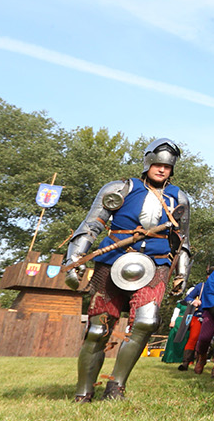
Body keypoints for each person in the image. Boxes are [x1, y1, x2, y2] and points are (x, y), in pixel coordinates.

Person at [66, 138, 191, 402]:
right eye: (157, 164)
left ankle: (115, 387)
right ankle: (84, 390)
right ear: (148, 163)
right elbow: (91, 225)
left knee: (146, 322)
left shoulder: (178, 198)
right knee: (98, 329)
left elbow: (182, 241)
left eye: (167, 167)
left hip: (155, 264)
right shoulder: (121, 188)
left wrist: (181, 274)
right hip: (113, 258)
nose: (161, 170)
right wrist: (74, 258)